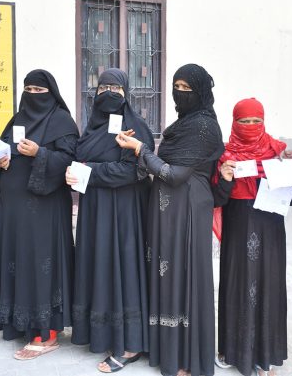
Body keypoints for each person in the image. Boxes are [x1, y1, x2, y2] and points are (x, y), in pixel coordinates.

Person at [116, 63, 224, 376]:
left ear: (202, 92)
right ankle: (168, 350)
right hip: (167, 209)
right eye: (177, 86)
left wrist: (140, 150)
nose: (180, 93)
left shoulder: (203, 127)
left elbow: (174, 174)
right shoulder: (185, 122)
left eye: (187, 88)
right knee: (166, 274)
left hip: (188, 208)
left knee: (185, 277)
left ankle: (188, 358)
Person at [66, 68, 154, 372]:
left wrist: (87, 172)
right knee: (99, 266)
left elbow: (132, 171)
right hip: (94, 211)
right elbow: (79, 161)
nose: (109, 94)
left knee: (123, 269)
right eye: (103, 87)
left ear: (126, 93)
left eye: (116, 89)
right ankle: (102, 334)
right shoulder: (90, 128)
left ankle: (129, 345)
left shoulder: (136, 127)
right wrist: (79, 171)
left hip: (123, 213)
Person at [0, 70, 78, 359]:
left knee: (41, 264)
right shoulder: (16, 120)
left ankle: (46, 334)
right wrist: (0, 162)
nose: (33, 94)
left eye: (39, 89)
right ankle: (19, 324)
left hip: (44, 208)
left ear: (50, 91)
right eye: (28, 89)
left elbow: (69, 160)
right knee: (18, 261)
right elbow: (0, 150)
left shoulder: (62, 122)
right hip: (14, 209)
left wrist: (39, 152)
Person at [212, 98, 292, 376]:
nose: (250, 127)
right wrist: (225, 178)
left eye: (256, 121)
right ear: (234, 123)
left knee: (267, 284)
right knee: (237, 283)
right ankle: (232, 350)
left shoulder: (278, 151)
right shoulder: (225, 155)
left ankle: (264, 356)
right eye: (244, 121)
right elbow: (217, 198)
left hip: (270, 226)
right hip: (238, 224)